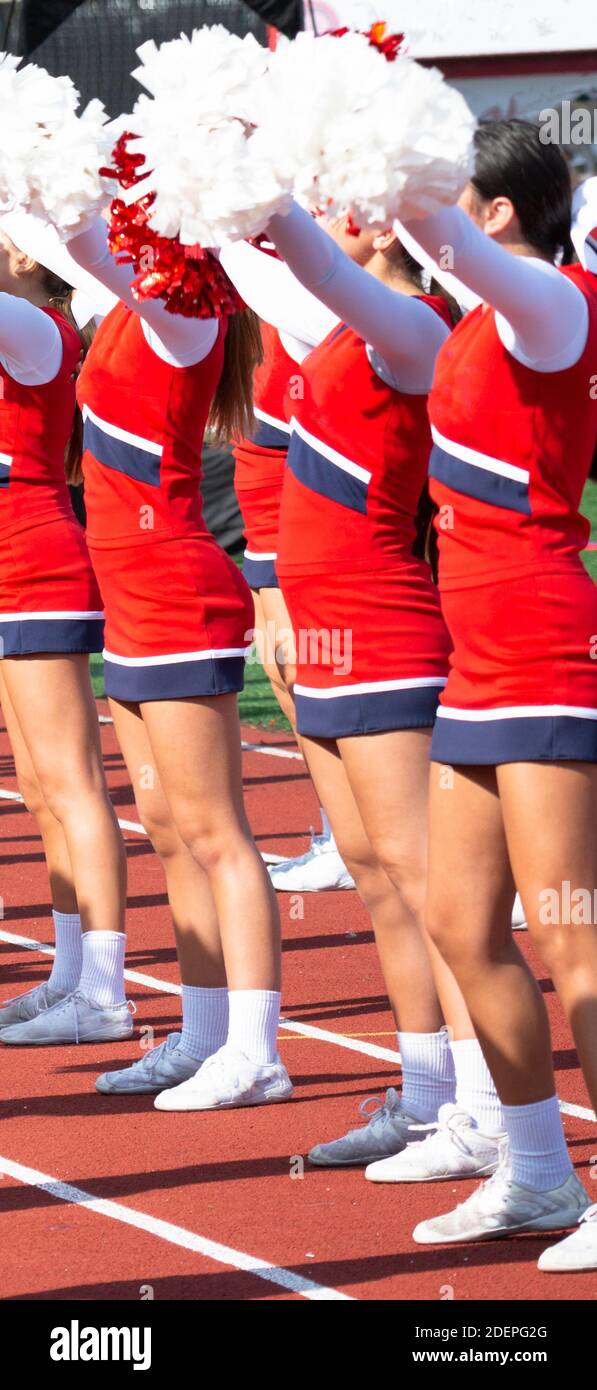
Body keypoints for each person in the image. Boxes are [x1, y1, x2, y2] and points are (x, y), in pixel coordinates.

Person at [222, 206, 507, 1174]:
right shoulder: (333, 332)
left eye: (339, 201)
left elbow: (313, 267)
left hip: (388, 625)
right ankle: (426, 1092)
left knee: (432, 883)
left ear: (382, 222)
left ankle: (486, 1108)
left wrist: (263, 201)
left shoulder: (412, 325)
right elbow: (272, 277)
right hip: (326, 634)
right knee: (377, 874)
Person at [391, 120, 597, 1269]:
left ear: (500, 209)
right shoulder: (475, 318)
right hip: (478, 655)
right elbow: (327, 272)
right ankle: (534, 1171)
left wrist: (388, 174)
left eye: (448, 193)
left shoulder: (553, 306)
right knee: (462, 923)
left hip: (544, 642)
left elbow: (453, 247)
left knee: (574, 935)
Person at [48, 203, 293, 1111]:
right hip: (132, 595)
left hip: (174, 589)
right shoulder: (129, 307)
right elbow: (64, 244)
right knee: (168, 828)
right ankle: (198, 1032)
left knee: (215, 830)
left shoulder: (183, 319)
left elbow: (83, 251)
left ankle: (256, 1048)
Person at [0, 214, 130, 1047]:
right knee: (42, 790)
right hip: (11, 567)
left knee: (75, 782)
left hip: (37, 562)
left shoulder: (39, 328)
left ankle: (108, 993)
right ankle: (69, 971)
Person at [231, 253, 354, 891]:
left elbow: (275, 291)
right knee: (283, 669)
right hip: (260, 476)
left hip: (294, 468)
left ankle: (359, 833)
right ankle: (339, 830)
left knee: (308, 666)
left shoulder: (305, 280)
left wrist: (218, 217)